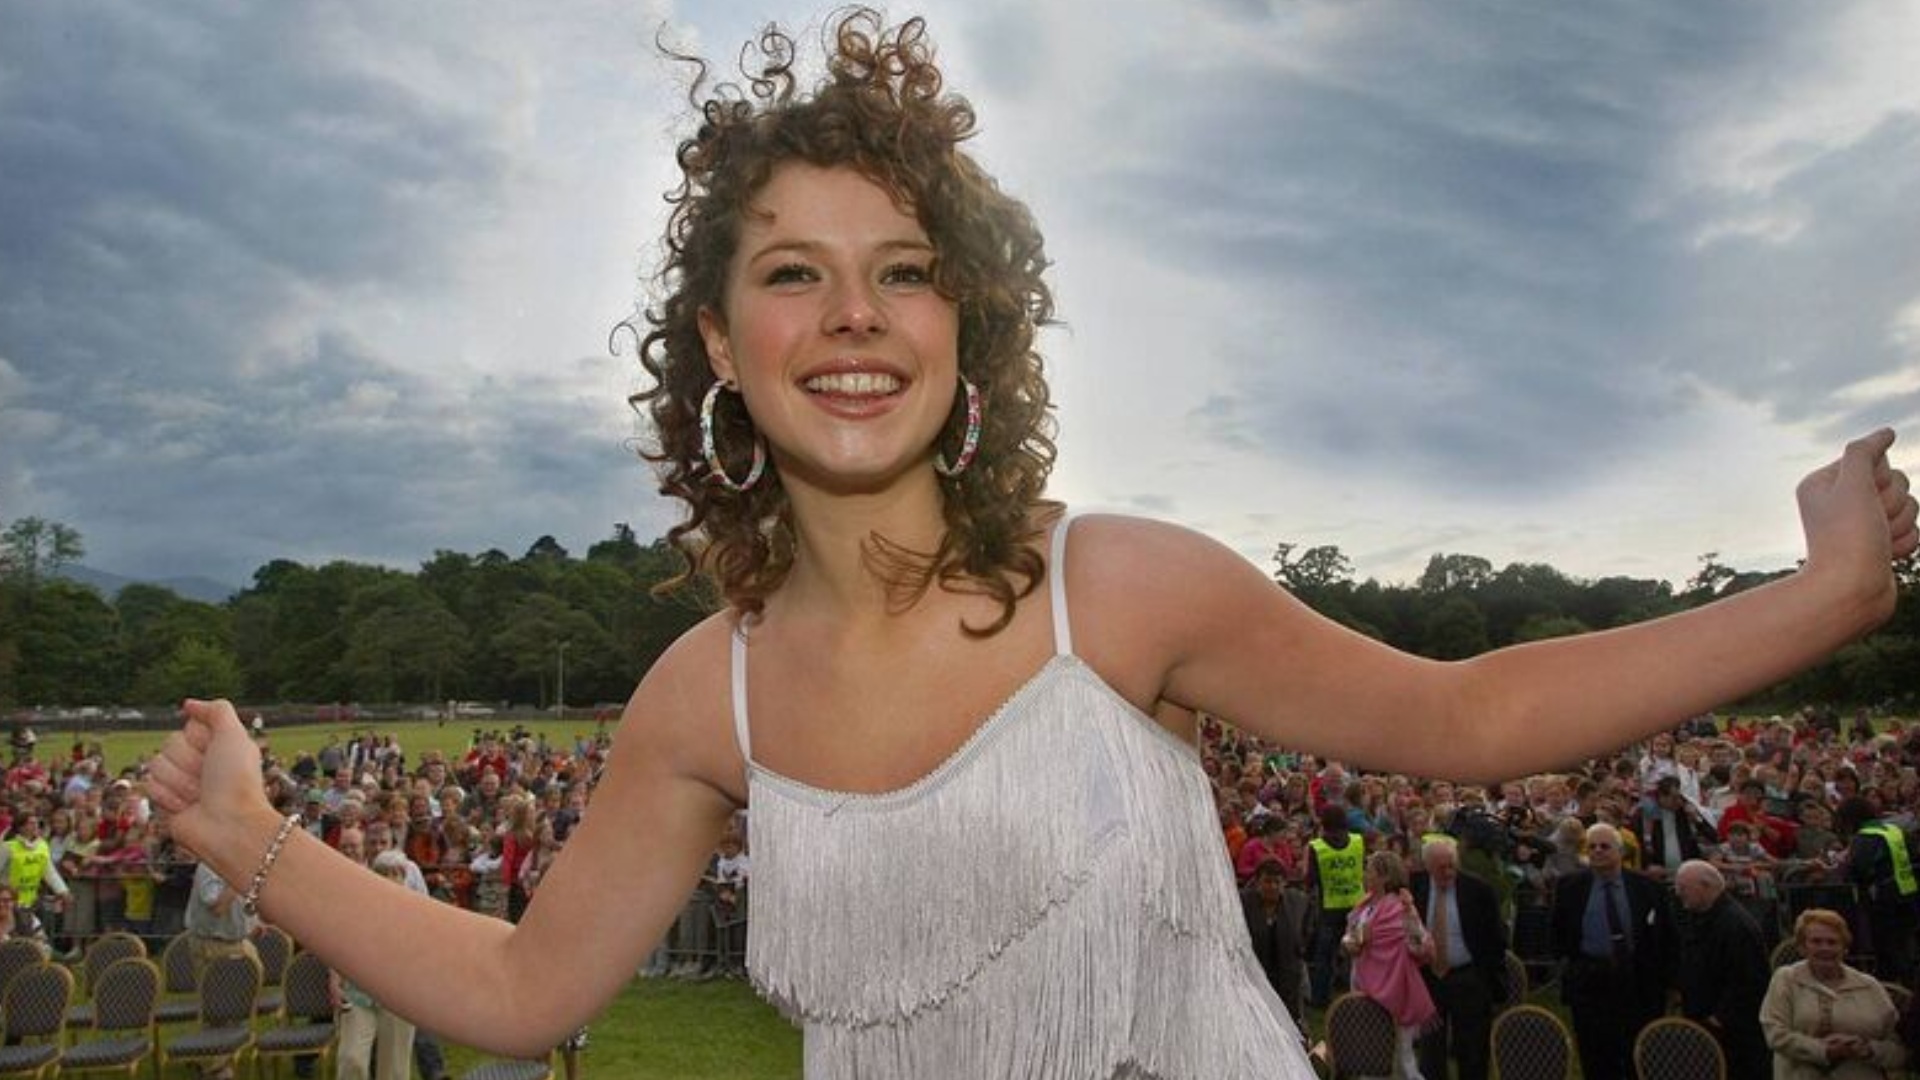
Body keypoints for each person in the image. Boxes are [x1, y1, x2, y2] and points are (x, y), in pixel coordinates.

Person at [143, 9, 1918, 1077]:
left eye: (904, 270)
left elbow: (1465, 717)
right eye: (793, 272)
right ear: (720, 346)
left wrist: (1825, 594)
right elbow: (527, 988)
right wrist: (249, 838)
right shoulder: (704, 700)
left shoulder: (1118, 590)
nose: (855, 314)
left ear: (964, 327)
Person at [1549, 823, 1678, 1080]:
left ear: (1620, 852)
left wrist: (1670, 982)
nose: (1597, 851)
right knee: (1595, 1052)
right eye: (1592, 847)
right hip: (1589, 980)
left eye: (1604, 846)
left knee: (1637, 1052)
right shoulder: (1570, 887)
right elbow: (1558, 931)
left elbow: (1668, 937)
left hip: (1637, 980)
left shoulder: (1647, 888)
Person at [1763, 908, 1907, 1079]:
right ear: (1802, 947)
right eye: (1816, 941)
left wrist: (1866, 1049)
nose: (1825, 948)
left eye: (1832, 942)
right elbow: (1775, 1034)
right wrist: (1824, 1051)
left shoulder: (1870, 986)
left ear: (1845, 948)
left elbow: (1898, 1049)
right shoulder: (1786, 979)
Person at [1411, 836, 1507, 1080]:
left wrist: (1489, 979)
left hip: (1469, 977)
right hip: (1430, 978)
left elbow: (1495, 938)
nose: (1448, 872)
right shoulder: (1415, 888)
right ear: (1427, 866)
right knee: (1431, 1048)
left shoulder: (1478, 890)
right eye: (1440, 868)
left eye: (1451, 865)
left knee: (1473, 1048)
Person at [1341, 851, 1434, 1080]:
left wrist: (1411, 915)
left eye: (1369, 870)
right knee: (1369, 1050)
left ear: (1384, 877)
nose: (1364, 874)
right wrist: (1349, 942)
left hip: (1394, 984)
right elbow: (1352, 934)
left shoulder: (1399, 907)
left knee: (1402, 1058)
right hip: (1363, 979)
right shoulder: (1364, 904)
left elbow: (1418, 944)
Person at [1673, 860, 1770, 1079]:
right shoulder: (1702, 917)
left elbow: (1750, 981)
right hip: (1707, 1025)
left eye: (1683, 887)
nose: (1678, 893)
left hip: (1732, 1036)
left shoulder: (1736, 925)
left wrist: (1719, 1017)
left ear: (1706, 886)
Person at [1836, 796, 1919, 986]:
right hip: (1909, 895)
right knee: (1906, 949)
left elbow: (1858, 870)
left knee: (1888, 954)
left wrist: (1842, 868)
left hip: (1883, 901)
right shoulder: (1894, 830)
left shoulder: (1865, 837)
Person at [1307, 802, 1365, 1006]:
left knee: (1324, 957)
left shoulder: (1317, 847)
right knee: (1357, 953)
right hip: (1357, 906)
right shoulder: (1358, 841)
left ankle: (1320, 998)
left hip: (1329, 908)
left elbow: (1311, 879)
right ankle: (1358, 994)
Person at [1240, 859, 1311, 1022]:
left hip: (1287, 974)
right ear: (1257, 882)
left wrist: (1301, 948)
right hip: (1254, 973)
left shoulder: (1297, 904)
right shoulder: (1243, 903)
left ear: (1284, 883)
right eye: (1267, 881)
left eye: (1277, 882)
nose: (1272, 887)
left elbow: (1307, 930)